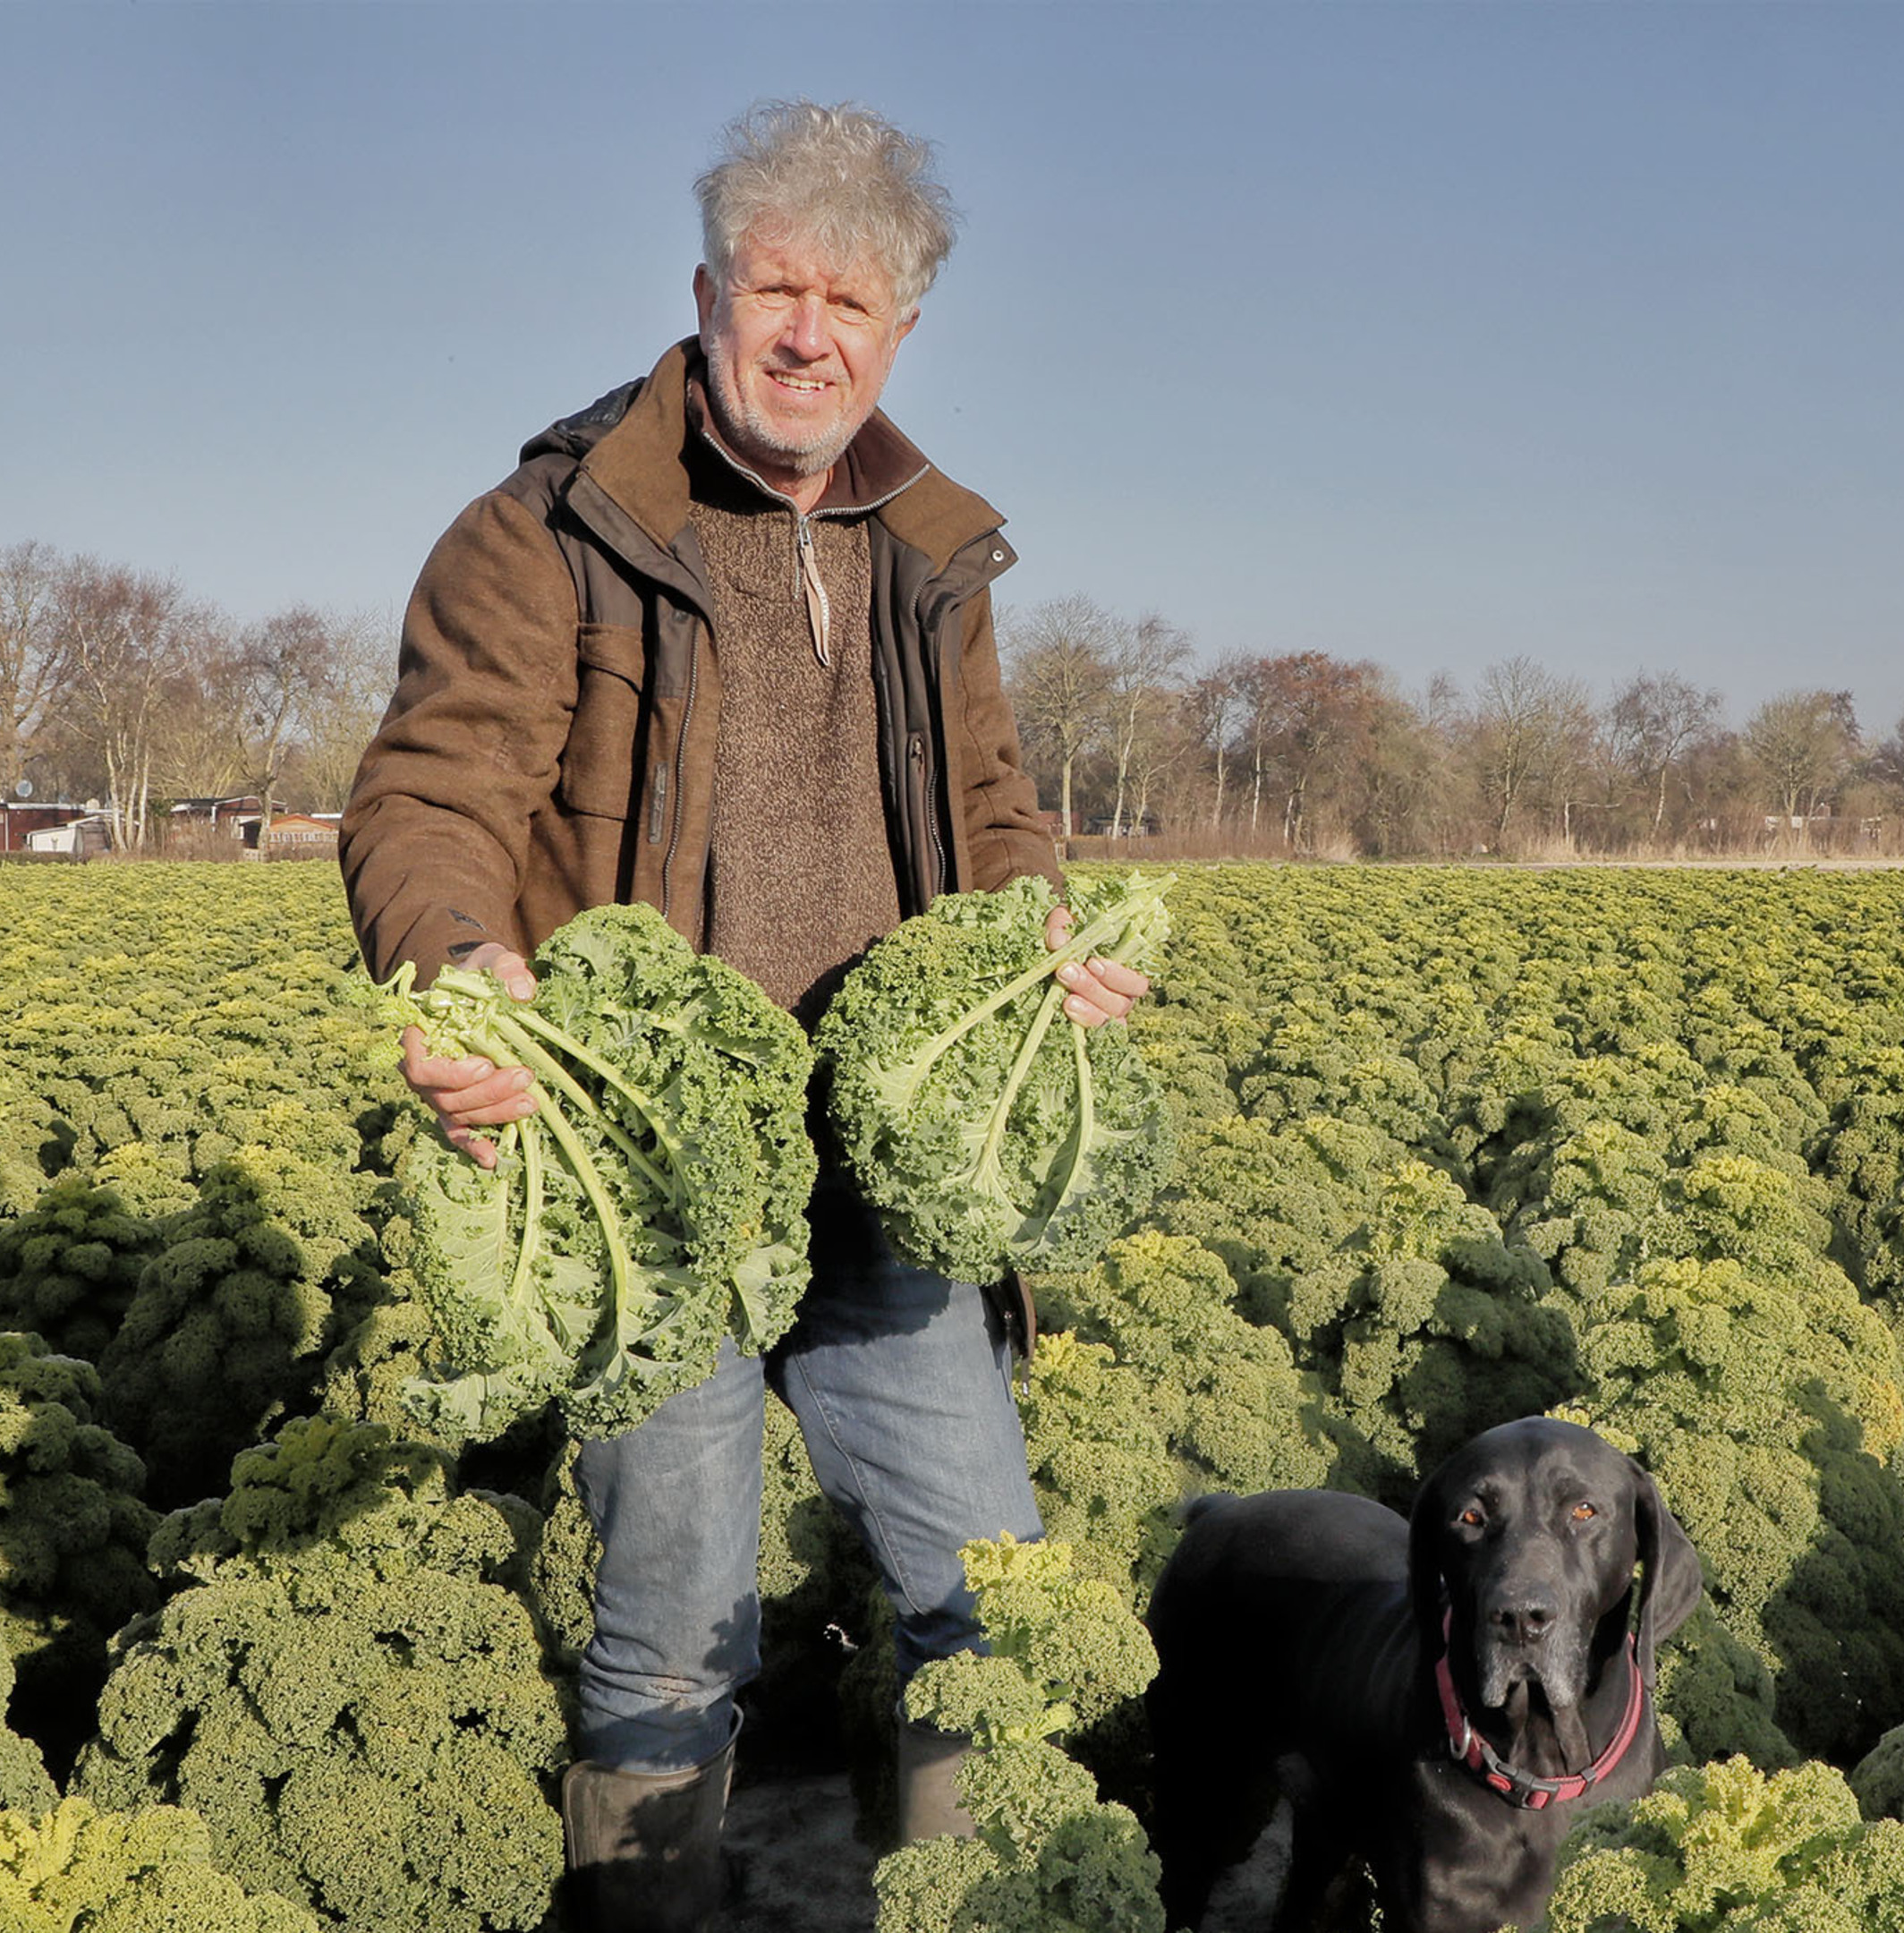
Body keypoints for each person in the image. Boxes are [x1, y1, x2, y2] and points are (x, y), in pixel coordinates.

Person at [337, 99, 1148, 1932]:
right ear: (704, 294)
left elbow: (999, 811)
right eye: (775, 289)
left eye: (849, 305)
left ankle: (978, 1900)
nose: (808, 334)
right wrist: (458, 960)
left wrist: (1052, 937)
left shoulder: (931, 559)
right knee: (674, 1626)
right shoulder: (550, 534)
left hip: (877, 1179)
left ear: (902, 332)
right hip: (662, 1184)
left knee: (986, 1586)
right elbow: (429, 796)